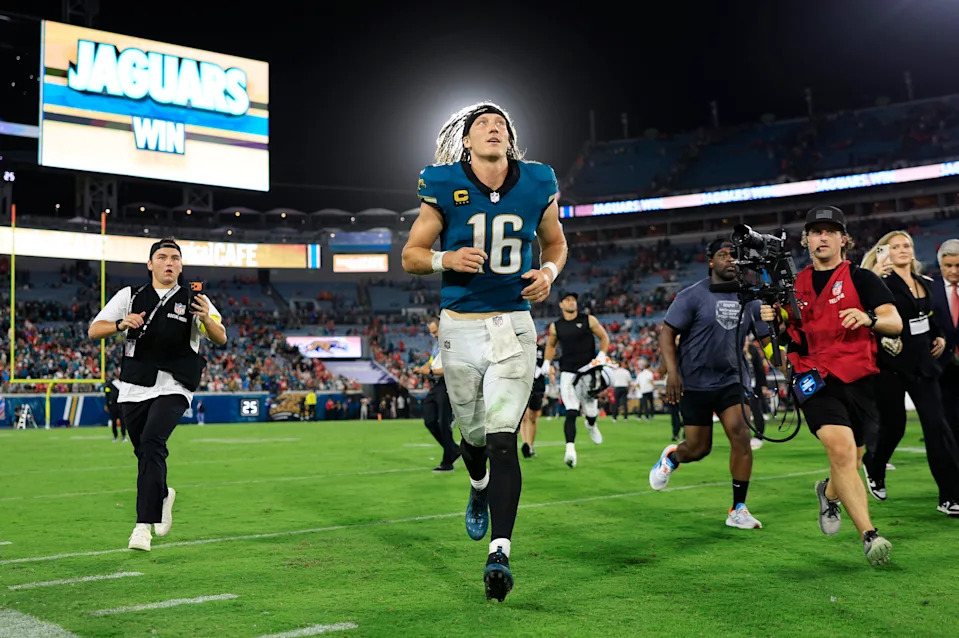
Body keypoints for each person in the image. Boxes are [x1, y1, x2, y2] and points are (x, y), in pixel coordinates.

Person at [402, 101, 567, 602]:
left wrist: (548, 274)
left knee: (501, 436)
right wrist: (443, 258)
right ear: (467, 141)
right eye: (482, 125)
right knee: (472, 437)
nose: (493, 129)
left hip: (513, 325)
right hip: (459, 327)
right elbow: (410, 255)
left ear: (509, 140)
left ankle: (500, 552)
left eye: (501, 125)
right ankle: (476, 487)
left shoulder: (538, 181)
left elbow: (555, 243)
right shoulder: (441, 182)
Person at [760, 205, 901, 565]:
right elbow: (777, 350)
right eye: (815, 231)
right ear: (805, 239)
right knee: (840, 451)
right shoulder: (790, 288)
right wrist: (771, 325)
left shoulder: (862, 279)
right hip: (812, 376)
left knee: (851, 459)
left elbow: (894, 322)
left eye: (829, 231)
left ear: (843, 239)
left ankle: (828, 491)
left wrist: (868, 318)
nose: (821, 237)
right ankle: (870, 535)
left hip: (859, 379)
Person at [88, 238, 226, 552]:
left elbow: (221, 337)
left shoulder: (195, 298)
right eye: (162, 257)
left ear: (181, 264)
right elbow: (94, 330)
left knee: (152, 442)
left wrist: (206, 318)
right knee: (144, 451)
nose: (169, 263)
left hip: (176, 384)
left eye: (175, 258)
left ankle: (142, 527)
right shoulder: (130, 295)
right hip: (135, 386)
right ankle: (162, 494)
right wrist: (121, 324)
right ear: (150, 264)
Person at [649, 237, 770, 530]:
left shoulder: (750, 299)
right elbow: (667, 334)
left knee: (740, 433)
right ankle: (673, 457)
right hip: (694, 382)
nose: (730, 259)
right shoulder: (692, 295)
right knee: (698, 448)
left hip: (731, 380)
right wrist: (673, 374)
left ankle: (738, 508)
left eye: (735, 255)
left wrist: (781, 360)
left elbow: (765, 341)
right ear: (711, 261)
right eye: (723, 254)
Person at [860, 231, 959, 516]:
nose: (903, 250)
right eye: (896, 246)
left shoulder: (924, 283)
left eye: (907, 245)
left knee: (937, 428)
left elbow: (930, 319)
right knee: (894, 426)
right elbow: (868, 314)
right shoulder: (880, 284)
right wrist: (875, 275)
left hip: (924, 368)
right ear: (885, 252)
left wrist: (939, 336)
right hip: (888, 368)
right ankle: (875, 466)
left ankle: (950, 496)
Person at [543, 292, 610, 468]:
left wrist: (602, 354)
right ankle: (570, 450)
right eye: (568, 300)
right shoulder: (556, 326)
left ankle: (591, 425)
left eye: (574, 299)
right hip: (567, 372)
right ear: (561, 304)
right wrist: (547, 362)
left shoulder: (589, 320)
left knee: (591, 411)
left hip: (588, 371)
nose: (572, 302)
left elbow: (604, 337)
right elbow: (551, 345)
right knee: (571, 410)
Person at [413, 316, 458, 472]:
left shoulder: (452, 342)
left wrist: (430, 371)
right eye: (431, 333)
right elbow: (432, 360)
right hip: (437, 383)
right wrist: (422, 368)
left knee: (443, 423)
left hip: (447, 382)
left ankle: (448, 462)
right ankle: (453, 449)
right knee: (429, 419)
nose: (434, 335)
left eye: (435, 331)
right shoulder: (437, 344)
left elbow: (451, 368)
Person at [931, 239, 959, 439]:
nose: (953, 271)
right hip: (943, 367)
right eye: (948, 266)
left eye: (958, 265)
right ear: (940, 265)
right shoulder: (929, 289)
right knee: (949, 419)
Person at [520, 339, 547, 458]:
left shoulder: (541, 350)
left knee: (533, 417)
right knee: (524, 416)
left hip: (538, 386)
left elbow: (547, 364)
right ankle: (525, 444)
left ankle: (530, 445)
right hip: (522, 384)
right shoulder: (519, 348)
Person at [743, 340, 770, 450]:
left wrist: (763, 385)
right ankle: (744, 437)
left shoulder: (753, 350)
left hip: (753, 387)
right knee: (741, 413)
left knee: (756, 411)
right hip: (739, 387)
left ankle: (758, 436)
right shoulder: (733, 348)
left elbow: (759, 369)